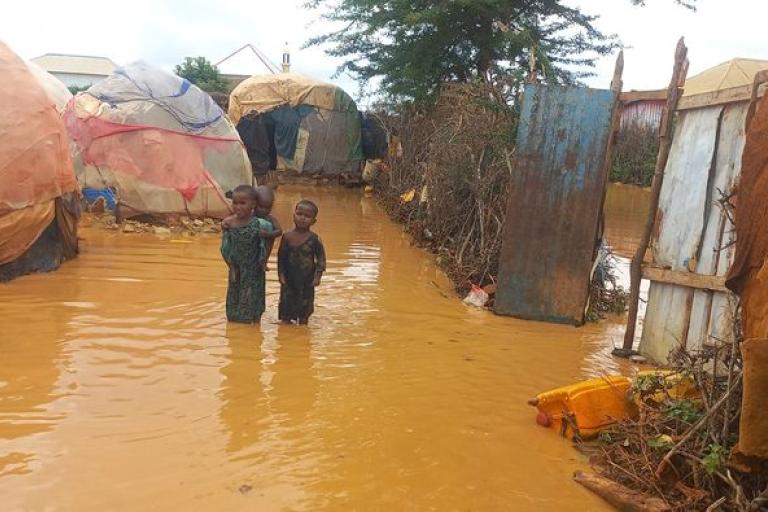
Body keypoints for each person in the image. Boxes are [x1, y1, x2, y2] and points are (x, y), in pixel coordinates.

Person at [220, 185, 272, 324]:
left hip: (253, 268)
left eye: (242, 203)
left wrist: (264, 260)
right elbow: (225, 247)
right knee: (234, 298)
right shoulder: (229, 223)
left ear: (253, 205)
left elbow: (269, 240)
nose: (238, 207)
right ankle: (235, 330)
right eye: (235, 203)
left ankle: (252, 328)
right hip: (235, 267)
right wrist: (231, 266)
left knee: (252, 299)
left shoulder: (261, 225)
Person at [278, 200, 326, 324]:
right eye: (299, 214)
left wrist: (318, 277)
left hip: (307, 280)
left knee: (305, 306)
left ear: (313, 221)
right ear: (294, 216)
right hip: (289, 278)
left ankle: (303, 330)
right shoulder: (287, 236)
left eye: (307, 216)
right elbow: (281, 257)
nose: (302, 218)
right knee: (286, 306)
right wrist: (281, 275)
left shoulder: (314, 239)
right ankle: (285, 331)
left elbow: (321, 259)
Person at [253, 185, 282, 270]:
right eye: (261, 207)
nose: (264, 210)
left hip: (265, 244)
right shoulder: (249, 216)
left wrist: (267, 234)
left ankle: (264, 262)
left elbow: (279, 231)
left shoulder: (270, 218)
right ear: (254, 203)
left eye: (267, 208)